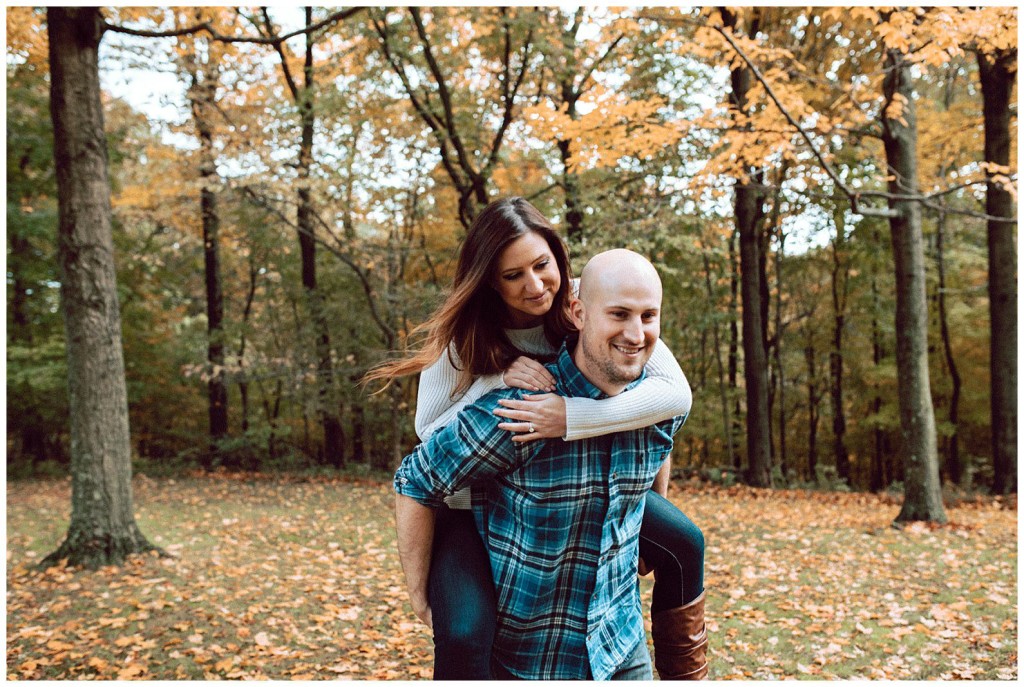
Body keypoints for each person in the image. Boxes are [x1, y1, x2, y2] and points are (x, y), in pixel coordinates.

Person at [364, 198, 706, 679]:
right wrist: (498, 378)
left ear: (559, 260)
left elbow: (670, 399)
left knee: (685, 543)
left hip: (579, 449)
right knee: (462, 629)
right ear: (490, 280)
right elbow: (429, 438)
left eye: (542, 265)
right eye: (513, 275)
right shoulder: (464, 335)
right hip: (470, 494)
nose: (535, 285)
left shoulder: (598, 301)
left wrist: (572, 417)